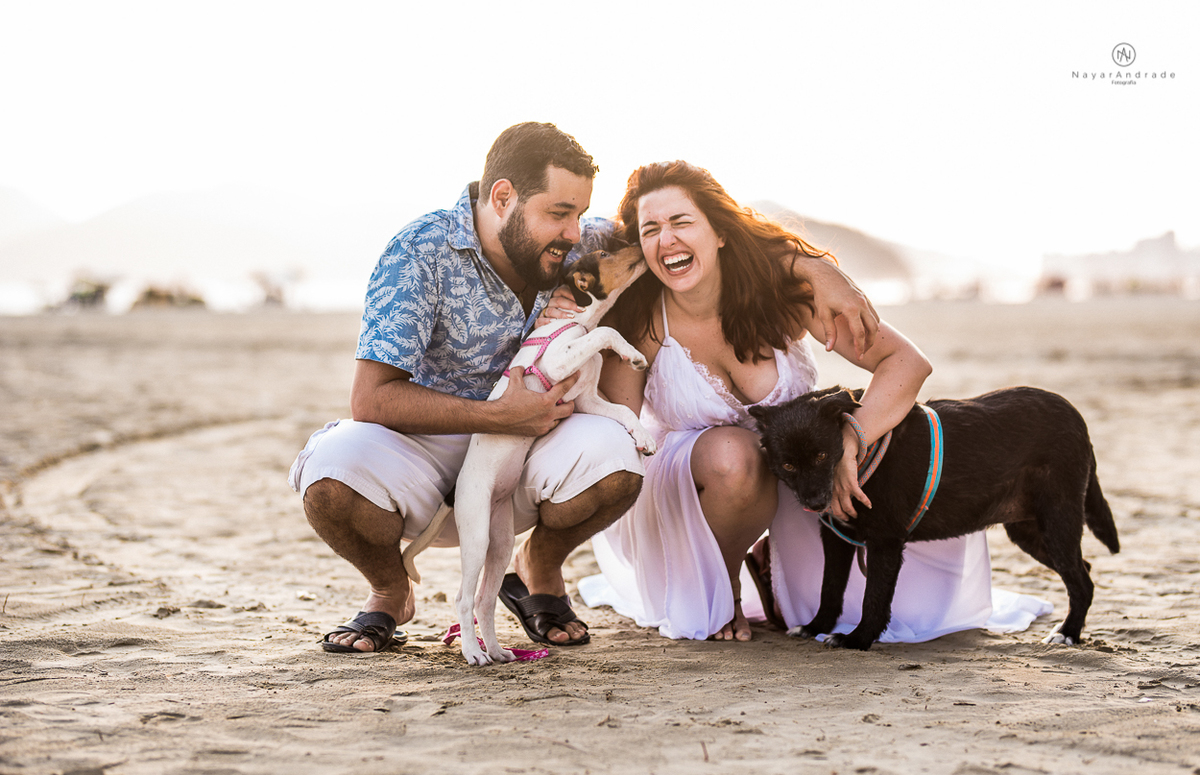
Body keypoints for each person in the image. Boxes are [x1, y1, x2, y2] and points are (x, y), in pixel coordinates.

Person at [288, 126, 880, 653]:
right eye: (560, 213)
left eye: (582, 214)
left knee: (621, 448)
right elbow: (370, 400)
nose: (576, 232)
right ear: (503, 198)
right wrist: (499, 417)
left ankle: (539, 565)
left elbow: (688, 233)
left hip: (534, 448)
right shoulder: (417, 253)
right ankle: (390, 591)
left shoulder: (588, 242)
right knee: (331, 468)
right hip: (425, 444)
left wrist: (812, 267)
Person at [578, 160, 1049, 643]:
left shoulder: (783, 297)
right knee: (734, 454)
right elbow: (618, 436)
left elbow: (907, 364)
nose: (666, 240)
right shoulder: (640, 321)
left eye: (682, 222)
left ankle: (767, 560)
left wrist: (853, 438)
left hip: (799, 486)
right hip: (689, 489)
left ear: (719, 231)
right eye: (650, 229)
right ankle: (726, 591)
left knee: (911, 613)